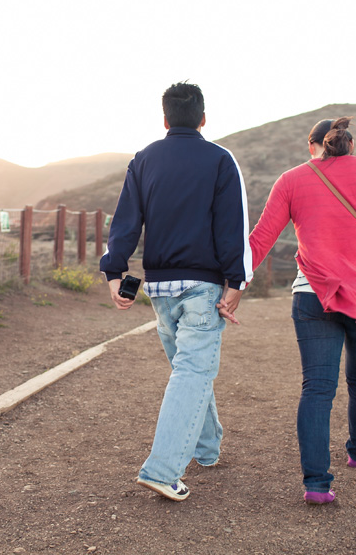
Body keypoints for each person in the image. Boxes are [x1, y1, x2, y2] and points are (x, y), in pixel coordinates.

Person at [222, 117, 356, 504]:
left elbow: (260, 239)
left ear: (313, 147)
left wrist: (236, 284)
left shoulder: (291, 179)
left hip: (312, 295)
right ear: (350, 146)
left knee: (318, 389)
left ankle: (316, 484)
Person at [100, 82, 253, 501]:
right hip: (202, 287)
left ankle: (206, 449)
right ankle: (163, 469)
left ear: (165, 120)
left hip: (159, 289)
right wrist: (237, 282)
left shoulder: (144, 160)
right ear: (203, 119)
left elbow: (125, 222)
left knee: (188, 369)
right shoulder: (221, 160)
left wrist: (115, 272)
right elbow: (232, 226)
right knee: (193, 371)